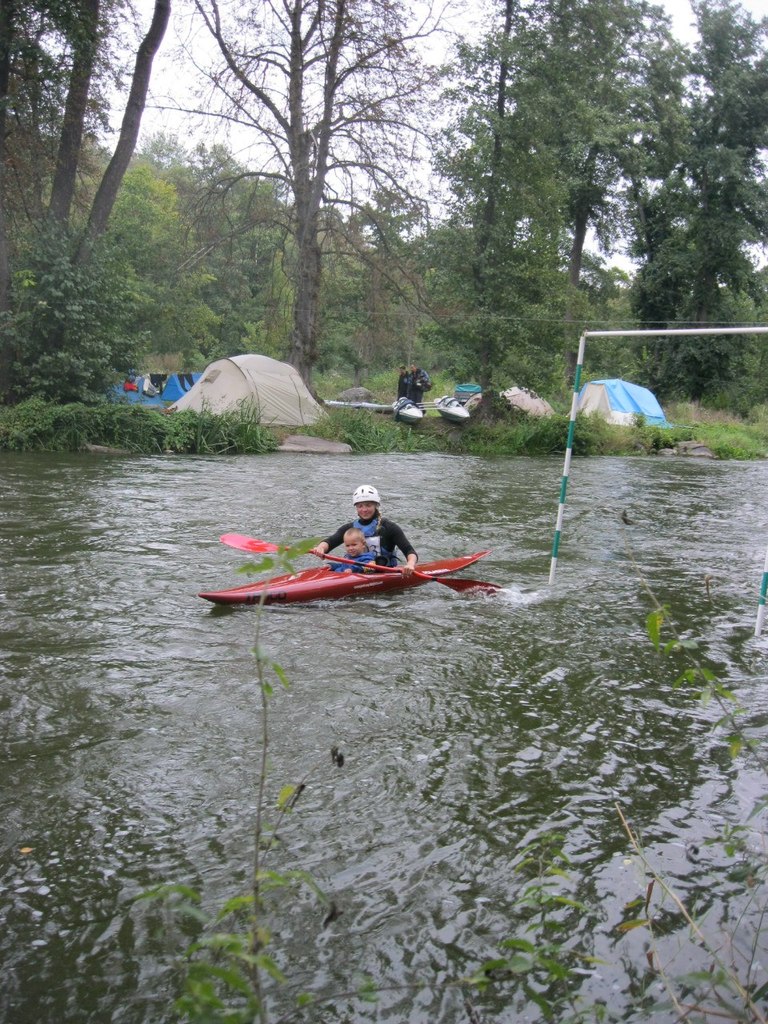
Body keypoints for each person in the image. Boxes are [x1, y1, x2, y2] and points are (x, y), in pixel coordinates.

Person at [311, 484, 418, 577]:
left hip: (384, 572)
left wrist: (410, 564)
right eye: (360, 506)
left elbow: (409, 551)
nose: (364, 510)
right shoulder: (350, 528)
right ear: (356, 507)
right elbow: (330, 542)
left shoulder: (389, 527)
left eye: (368, 505)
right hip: (355, 570)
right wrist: (321, 548)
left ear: (376, 505)